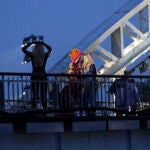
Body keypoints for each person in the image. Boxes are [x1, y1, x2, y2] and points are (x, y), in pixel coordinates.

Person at [21, 37, 52, 109]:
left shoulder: (32, 55)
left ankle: (34, 110)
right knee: (43, 94)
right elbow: (50, 49)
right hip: (43, 76)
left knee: (34, 94)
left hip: (34, 75)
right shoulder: (44, 55)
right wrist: (43, 44)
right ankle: (45, 110)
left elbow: (23, 49)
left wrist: (31, 43)